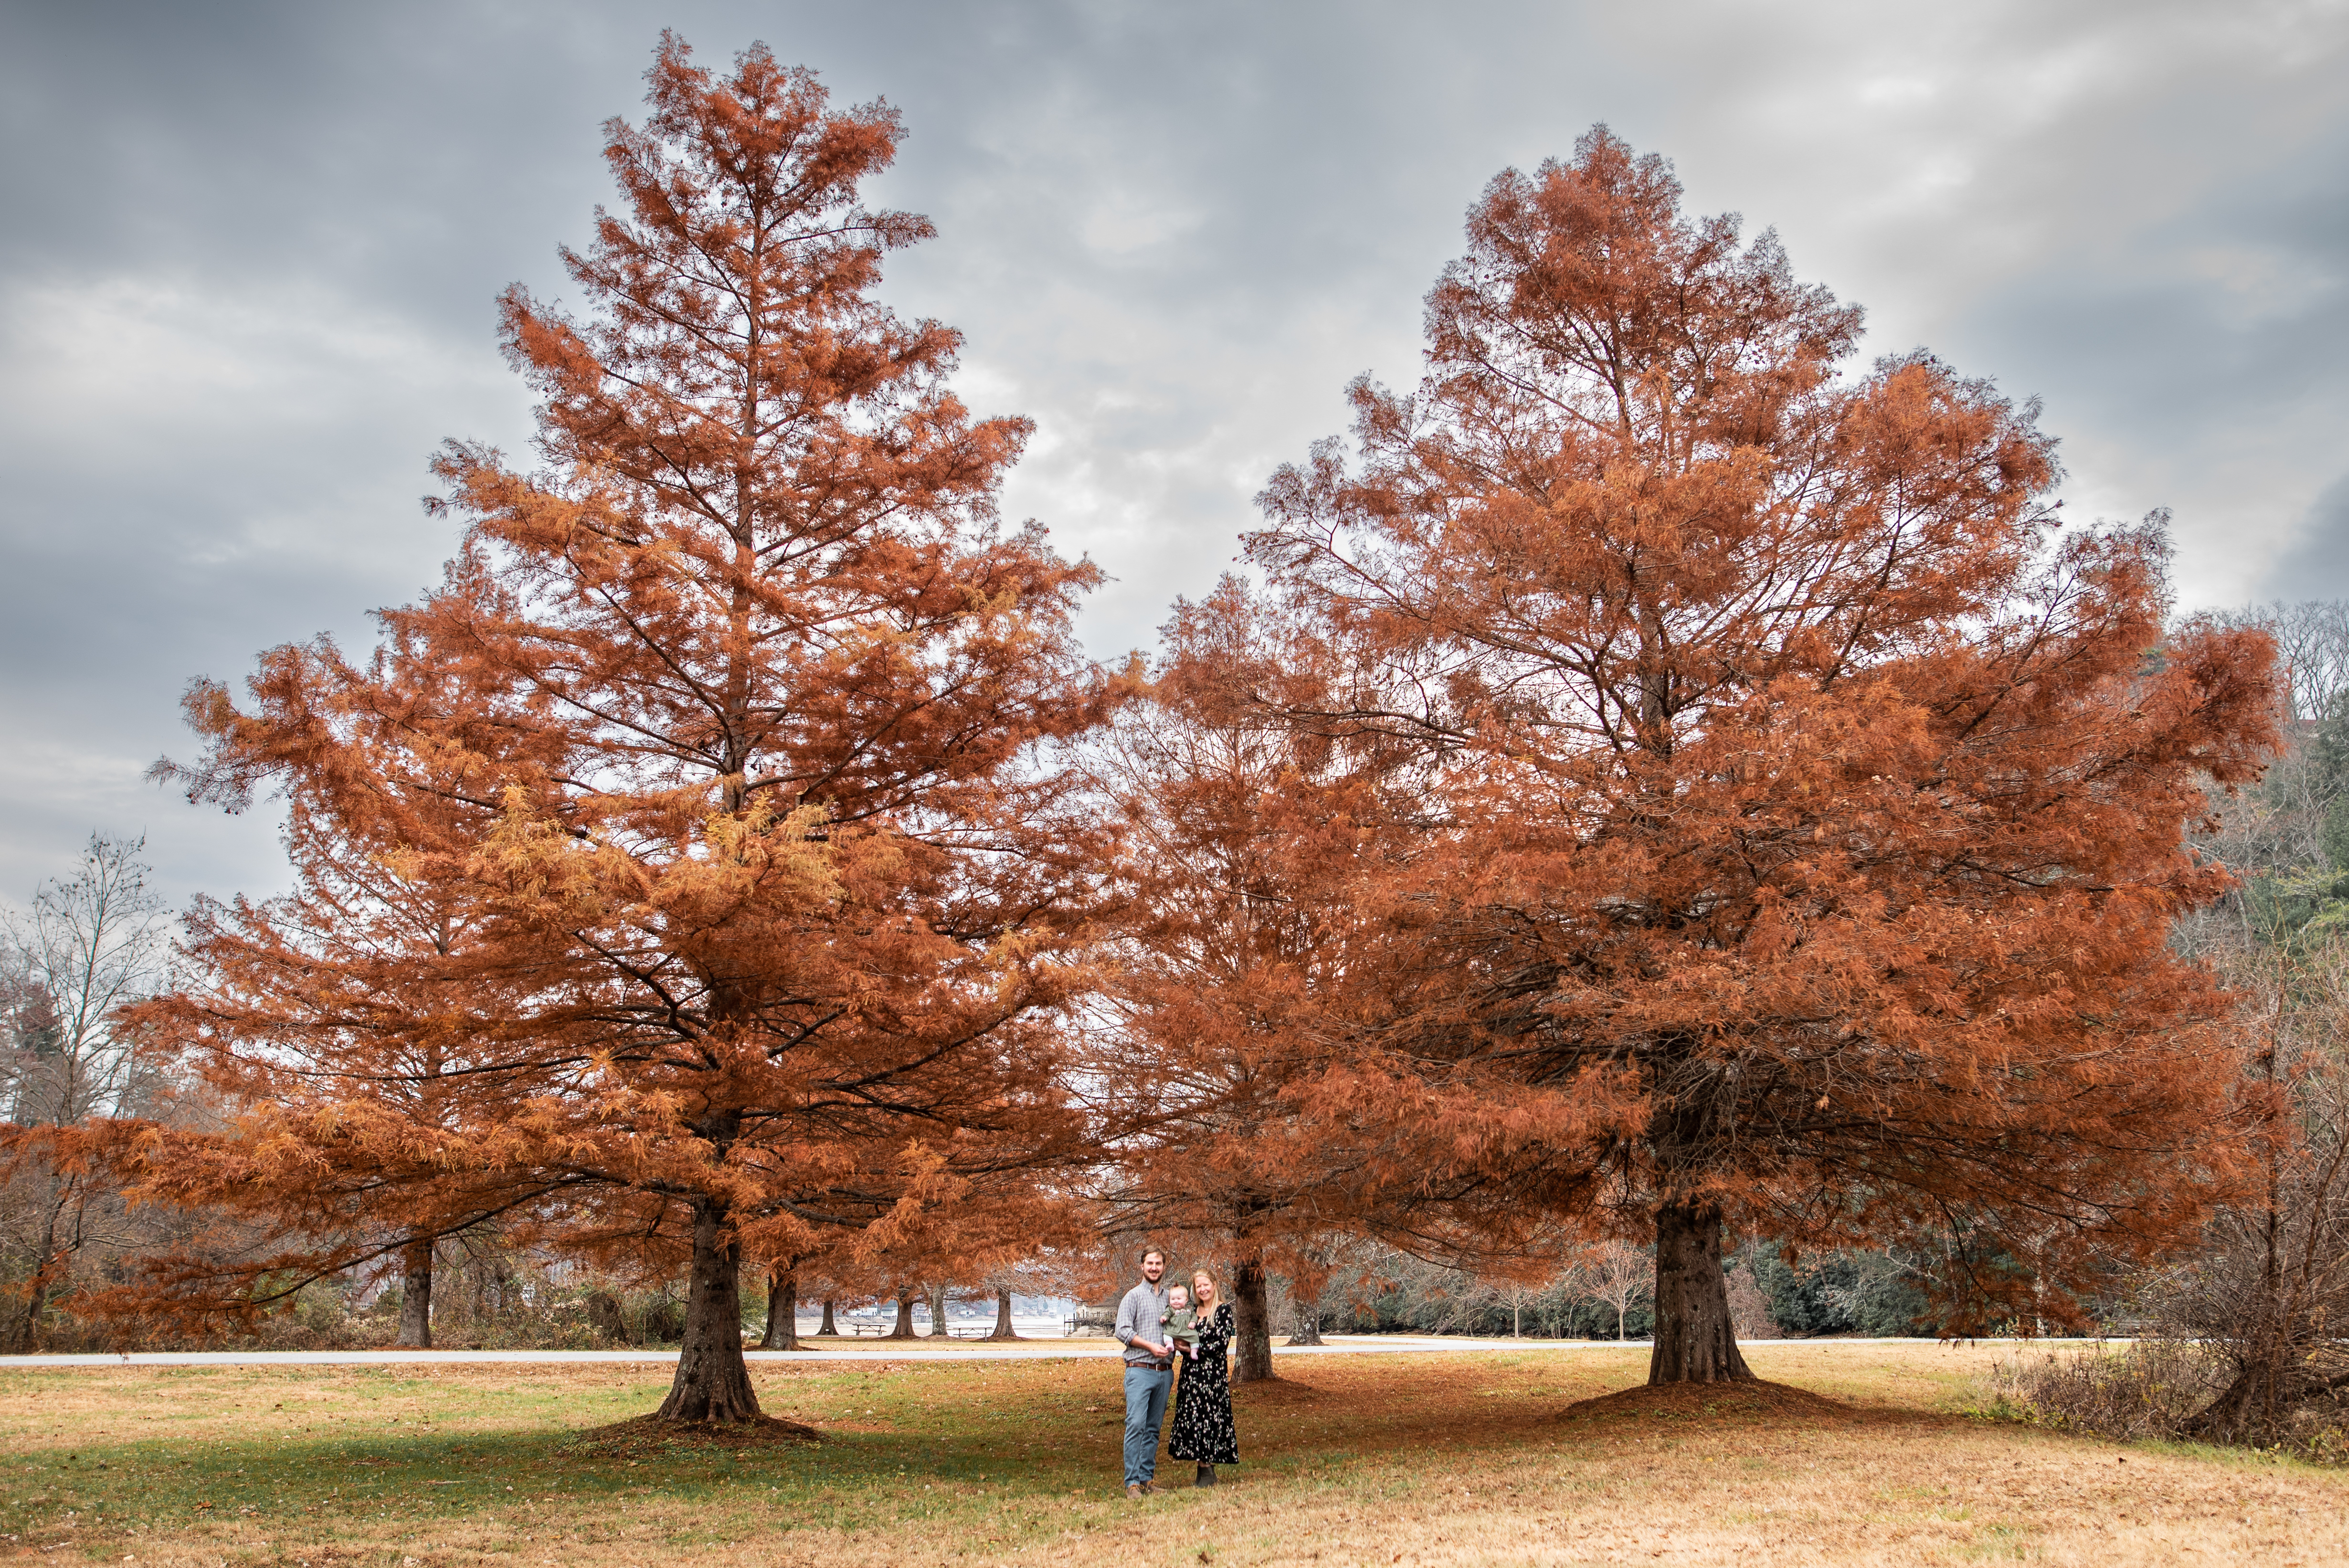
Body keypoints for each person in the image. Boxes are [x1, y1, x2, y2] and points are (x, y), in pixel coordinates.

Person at [1113, 1247, 1175, 1498]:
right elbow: (1122, 1331)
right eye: (1150, 1263)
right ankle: (1132, 1484)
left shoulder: (1171, 1299)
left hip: (1165, 1373)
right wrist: (1150, 1345)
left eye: (1158, 1263)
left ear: (1163, 1266)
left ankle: (1147, 1479)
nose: (1154, 1267)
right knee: (1136, 1425)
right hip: (1140, 1371)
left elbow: (1179, 1328)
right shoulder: (1133, 1296)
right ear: (1142, 1266)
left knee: (1153, 1428)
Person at [1167, 1268, 1238, 1486]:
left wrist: (1190, 1349)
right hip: (1191, 1375)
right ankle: (1204, 1471)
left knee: (1209, 1420)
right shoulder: (1192, 1312)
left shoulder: (1223, 1311)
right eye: (1199, 1286)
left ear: (1214, 1284)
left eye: (1206, 1284)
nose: (1203, 1289)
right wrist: (1179, 1345)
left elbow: (1220, 1344)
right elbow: (1181, 1336)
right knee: (1194, 1421)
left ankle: (1206, 1470)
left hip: (1212, 1377)